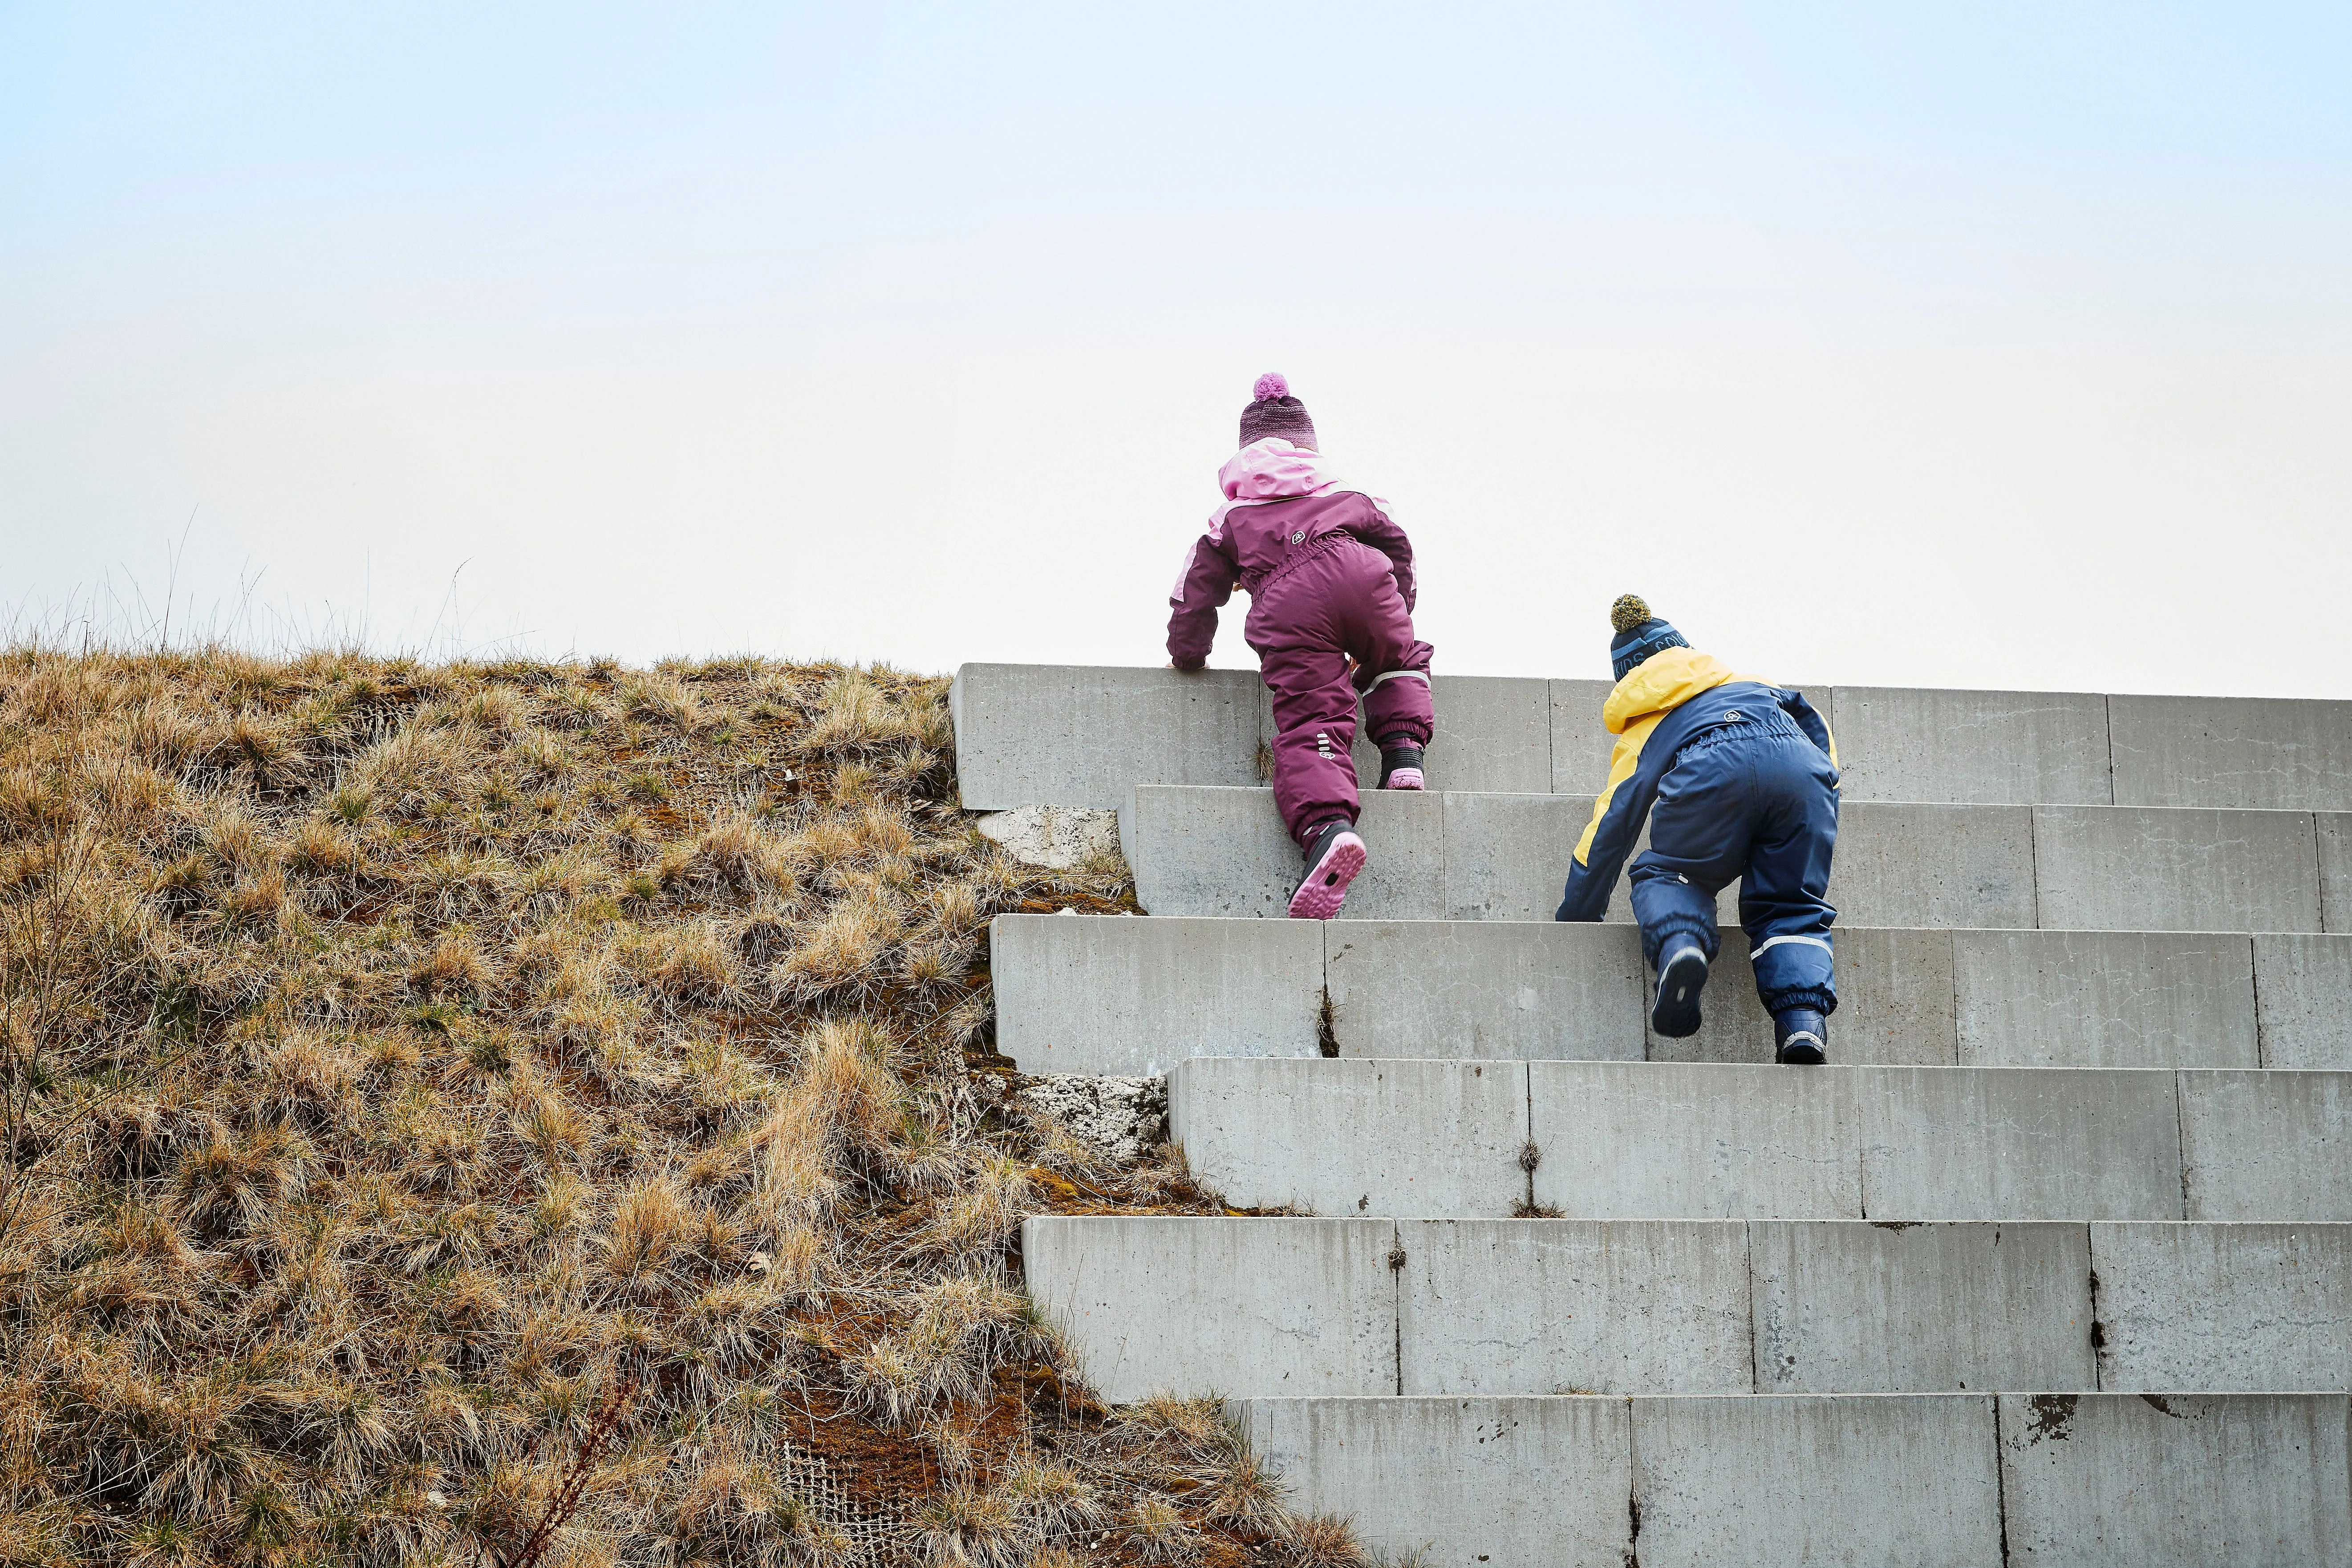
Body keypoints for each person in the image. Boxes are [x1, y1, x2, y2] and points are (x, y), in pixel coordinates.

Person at [1167, 373, 1435, 919]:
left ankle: (1326, 830)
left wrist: (1188, 653)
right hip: (1361, 574)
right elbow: (1398, 546)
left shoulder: (1231, 517)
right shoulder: (1347, 491)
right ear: (1309, 447)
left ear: (1245, 454)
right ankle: (1404, 753)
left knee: (1313, 715)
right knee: (1399, 654)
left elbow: (1194, 592)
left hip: (1287, 605)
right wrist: (1396, 608)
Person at [1553, 596, 1839, 1064]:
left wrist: (1578, 912)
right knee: (1791, 905)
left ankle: (1681, 946)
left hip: (1709, 773)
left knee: (1670, 875)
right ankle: (1802, 1024)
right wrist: (1826, 783)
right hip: (1800, 776)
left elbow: (1613, 821)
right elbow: (1815, 722)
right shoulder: (1755, 684)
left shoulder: (1647, 723)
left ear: (1628, 679)